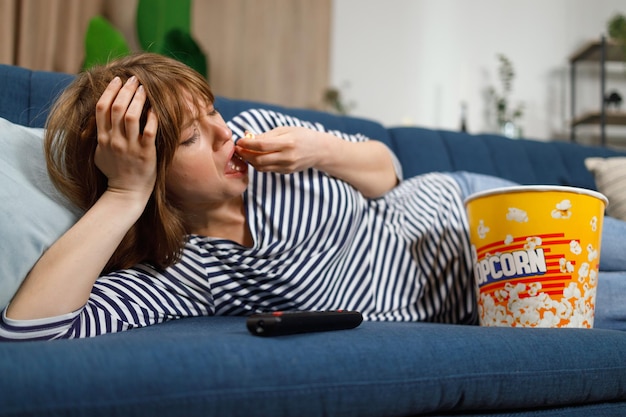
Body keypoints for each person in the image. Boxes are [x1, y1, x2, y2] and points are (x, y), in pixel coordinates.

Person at [0, 53, 622, 340]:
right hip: (486, 291)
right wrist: (124, 193)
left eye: (215, 112)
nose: (227, 133)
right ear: (147, 169)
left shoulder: (263, 142)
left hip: (461, 208)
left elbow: (388, 176)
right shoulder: (189, 273)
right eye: (194, 136)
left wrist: (319, 149)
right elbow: (31, 333)